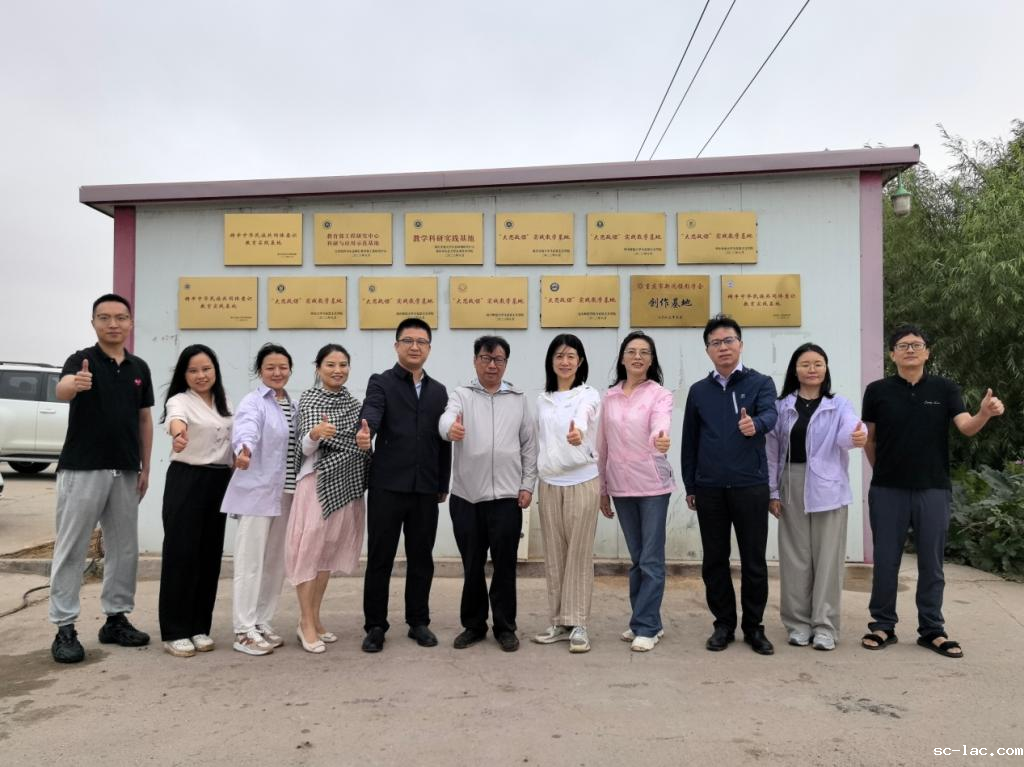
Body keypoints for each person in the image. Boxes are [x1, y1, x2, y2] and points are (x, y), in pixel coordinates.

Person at [861, 324, 1004, 658]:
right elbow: (870, 439)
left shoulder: (945, 388)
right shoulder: (877, 390)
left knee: (932, 563)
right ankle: (882, 625)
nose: (910, 349)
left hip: (933, 488)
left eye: (917, 344)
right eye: (903, 345)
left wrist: (984, 413)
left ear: (927, 352)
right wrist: (883, 471)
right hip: (887, 490)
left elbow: (966, 427)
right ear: (892, 354)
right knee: (885, 561)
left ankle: (932, 630)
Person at [49, 293, 154, 664]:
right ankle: (64, 627)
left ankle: (116, 618)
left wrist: (145, 467)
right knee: (72, 547)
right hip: (82, 468)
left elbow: (144, 419)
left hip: (125, 470)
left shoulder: (139, 367)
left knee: (124, 548)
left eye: (120, 317)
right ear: (93, 322)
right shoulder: (81, 360)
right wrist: (75, 384)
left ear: (130, 322)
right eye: (105, 317)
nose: (113, 324)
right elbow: (62, 389)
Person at [681, 314, 778, 655]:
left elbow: (771, 414)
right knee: (714, 560)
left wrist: (757, 425)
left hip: (750, 485)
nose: (723, 347)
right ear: (707, 350)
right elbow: (690, 442)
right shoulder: (698, 391)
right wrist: (691, 485)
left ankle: (754, 627)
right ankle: (723, 624)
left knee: (754, 561)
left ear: (740, 344)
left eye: (729, 341)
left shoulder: (761, 382)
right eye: (715, 343)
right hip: (709, 489)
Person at [356, 318, 451, 653]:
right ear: (397, 345)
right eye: (408, 340)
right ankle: (375, 626)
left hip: (425, 488)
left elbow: (443, 440)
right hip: (387, 486)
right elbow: (372, 411)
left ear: (429, 348)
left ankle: (418, 621)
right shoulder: (381, 382)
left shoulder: (439, 391)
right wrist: (366, 431)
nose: (414, 347)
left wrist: (442, 481)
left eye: (421, 342)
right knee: (380, 558)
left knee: (421, 558)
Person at [439, 335, 537, 652]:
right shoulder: (462, 395)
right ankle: (474, 625)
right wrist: (450, 429)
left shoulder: (518, 399)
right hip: (467, 497)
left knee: (505, 566)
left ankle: (505, 627)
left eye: (498, 359)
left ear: (505, 363)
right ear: (475, 360)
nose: (492, 365)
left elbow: (529, 445)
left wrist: (527, 485)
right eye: (485, 358)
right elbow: (446, 419)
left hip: (507, 498)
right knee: (473, 566)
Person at [766, 343, 866, 651]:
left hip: (828, 487)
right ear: (795, 370)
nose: (812, 369)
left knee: (828, 560)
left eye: (818, 363)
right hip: (791, 483)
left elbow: (847, 432)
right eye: (805, 364)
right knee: (795, 558)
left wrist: (856, 436)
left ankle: (825, 627)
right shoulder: (782, 406)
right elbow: (771, 452)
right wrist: (772, 490)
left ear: (826, 368)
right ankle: (797, 624)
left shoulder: (839, 405)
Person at [288, 344, 369, 654]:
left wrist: (364, 443)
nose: (338, 370)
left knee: (325, 555)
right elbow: (303, 447)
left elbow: (359, 443)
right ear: (318, 368)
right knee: (308, 552)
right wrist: (316, 434)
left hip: (344, 486)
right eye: (331, 364)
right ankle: (305, 622)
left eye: (343, 364)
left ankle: (314, 618)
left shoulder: (353, 404)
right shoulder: (310, 399)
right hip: (316, 484)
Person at [597, 331, 674, 652]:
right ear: (622, 358)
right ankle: (644, 619)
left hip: (653, 484)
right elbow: (602, 444)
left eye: (644, 352)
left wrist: (661, 438)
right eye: (632, 351)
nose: (638, 357)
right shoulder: (609, 397)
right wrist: (602, 488)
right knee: (637, 559)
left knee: (651, 560)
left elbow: (660, 423)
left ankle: (647, 626)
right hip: (620, 485)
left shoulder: (660, 394)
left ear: (652, 360)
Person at [220, 343, 297, 656]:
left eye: (282, 367)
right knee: (249, 563)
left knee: (275, 563)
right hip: (257, 493)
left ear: (290, 370)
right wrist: (244, 449)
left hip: (285, 495)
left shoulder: (292, 405)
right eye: (270, 368)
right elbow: (246, 428)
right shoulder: (254, 402)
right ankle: (243, 630)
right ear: (260, 371)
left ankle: (262, 621)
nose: (277, 373)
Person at [159, 344, 234, 658]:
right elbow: (175, 420)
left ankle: (200, 626)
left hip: (219, 481)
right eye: (193, 370)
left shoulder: (223, 400)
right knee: (182, 554)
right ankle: (175, 631)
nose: (201, 375)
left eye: (206, 369)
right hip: (188, 479)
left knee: (209, 555)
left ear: (215, 370)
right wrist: (179, 434)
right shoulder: (179, 400)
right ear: (184, 374)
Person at [531, 334, 602, 654]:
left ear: (580, 361)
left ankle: (579, 624)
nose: (565, 361)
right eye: (559, 356)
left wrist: (579, 433)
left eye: (571, 356)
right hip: (549, 483)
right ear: (551, 361)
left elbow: (584, 416)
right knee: (555, 555)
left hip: (581, 481)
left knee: (578, 554)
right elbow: (539, 441)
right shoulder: (542, 399)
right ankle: (559, 622)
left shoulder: (588, 394)